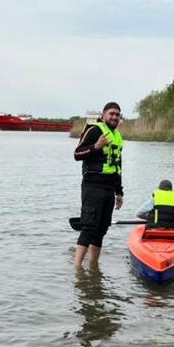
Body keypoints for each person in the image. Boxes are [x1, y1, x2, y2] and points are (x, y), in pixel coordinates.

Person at [73, 102, 124, 267]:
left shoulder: (117, 136)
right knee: (88, 227)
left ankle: (94, 266)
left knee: (101, 230)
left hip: (109, 189)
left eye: (117, 114)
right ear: (103, 115)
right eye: (112, 114)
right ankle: (78, 268)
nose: (115, 117)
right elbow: (77, 154)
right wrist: (96, 146)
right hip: (92, 186)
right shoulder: (94, 130)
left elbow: (117, 166)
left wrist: (119, 192)